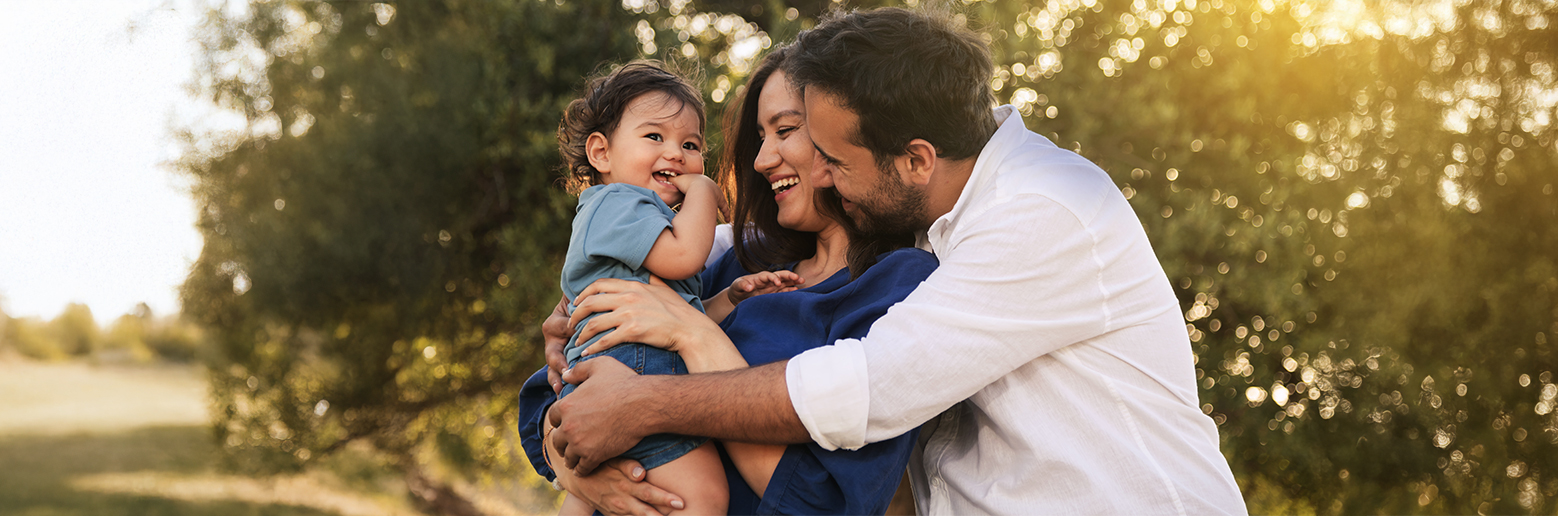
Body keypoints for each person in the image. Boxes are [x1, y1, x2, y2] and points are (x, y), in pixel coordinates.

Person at [548, 7, 1249, 515]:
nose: (812, 172)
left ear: (914, 159)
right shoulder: (918, 218)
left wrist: (651, 395)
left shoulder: (1042, 211)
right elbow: (591, 348)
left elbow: (867, 389)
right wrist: (581, 438)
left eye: (830, 157)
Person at [520, 47, 938, 515]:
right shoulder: (737, 259)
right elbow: (551, 402)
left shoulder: (901, 286)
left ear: (845, 133)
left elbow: (822, 503)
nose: (761, 160)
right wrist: (583, 475)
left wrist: (693, 335)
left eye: (785, 130)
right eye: (760, 137)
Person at [547, 60, 726, 516]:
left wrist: (733, 296)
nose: (676, 153)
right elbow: (685, 257)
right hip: (631, 368)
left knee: (588, 492)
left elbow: (678, 312)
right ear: (601, 154)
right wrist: (705, 191)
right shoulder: (619, 203)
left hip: (620, 363)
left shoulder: (636, 217)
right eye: (655, 137)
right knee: (702, 497)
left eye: (690, 144)